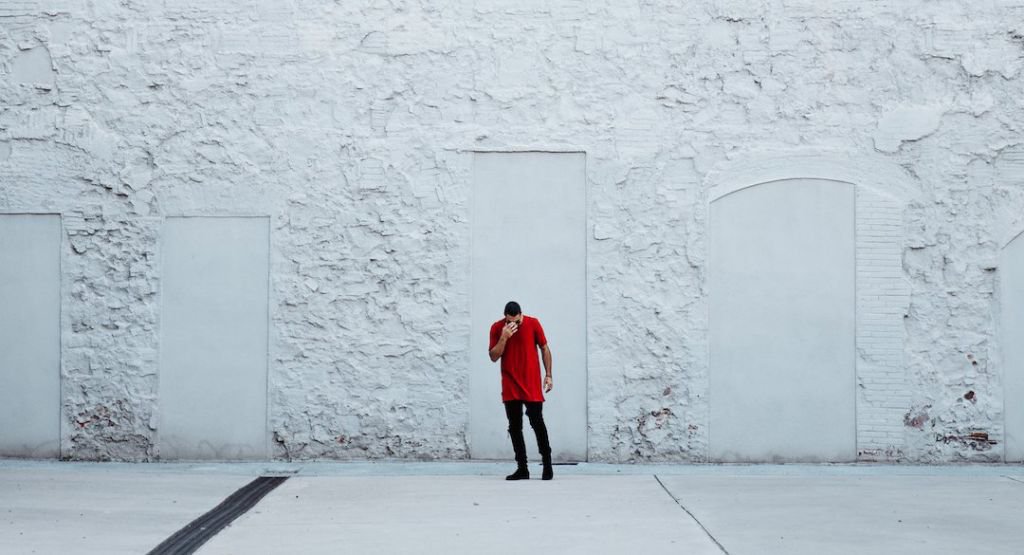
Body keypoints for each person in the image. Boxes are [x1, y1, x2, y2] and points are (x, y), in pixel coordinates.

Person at [488, 301, 553, 480]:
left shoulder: (533, 323)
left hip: (531, 383)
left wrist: (548, 375)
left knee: (537, 423)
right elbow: (493, 356)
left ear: (521, 315)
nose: (513, 325)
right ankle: (522, 468)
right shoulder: (497, 328)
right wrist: (504, 337)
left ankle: (547, 465)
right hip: (510, 384)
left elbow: (545, 348)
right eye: (509, 321)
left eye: (516, 322)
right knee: (515, 427)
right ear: (505, 317)